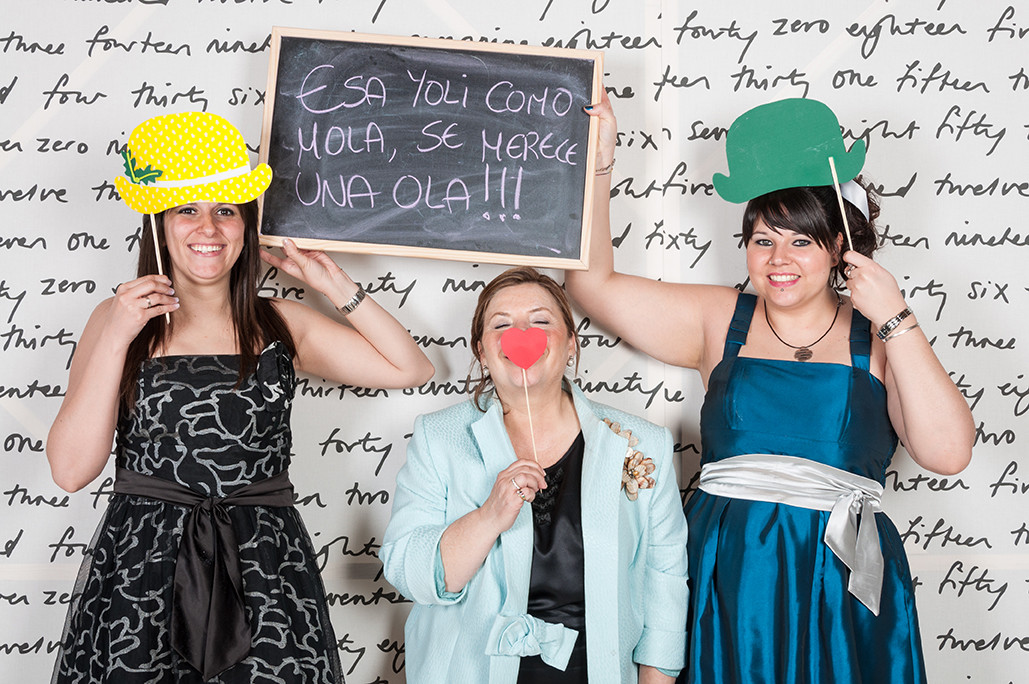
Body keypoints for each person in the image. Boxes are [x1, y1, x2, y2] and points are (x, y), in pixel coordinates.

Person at [568, 94, 975, 684]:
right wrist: (600, 166)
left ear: (839, 247)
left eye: (800, 241)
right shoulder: (719, 319)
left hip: (836, 579)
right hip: (725, 571)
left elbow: (948, 453)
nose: (779, 259)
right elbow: (591, 284)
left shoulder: (882, 339)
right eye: (763, 241)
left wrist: (895, 315)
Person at [46, 111, 434, 683]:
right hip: (143, 569)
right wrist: (118, 337)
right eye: (187, 208)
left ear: (246, 225)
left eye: (225, 210)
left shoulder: (277, 323)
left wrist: (332, 284)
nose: (209, 227)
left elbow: (411, 368)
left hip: (263, 568)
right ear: (158, 220)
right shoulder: (116, 319)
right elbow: (71, 470)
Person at [379, 266, 689, 684]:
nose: (520, 334)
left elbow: (664, 581)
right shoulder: (438, 437)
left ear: (571, 346)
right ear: (482, 352)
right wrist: (489, 516)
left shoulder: (642, 444)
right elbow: (410, 574)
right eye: (501, 325)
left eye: (541, 321)